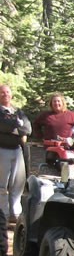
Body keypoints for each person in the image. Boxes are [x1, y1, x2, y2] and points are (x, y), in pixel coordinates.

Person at [0, 84, 32, 223]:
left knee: (18, 184)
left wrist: (12, 128)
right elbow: (3, 125)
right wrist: (16, 127)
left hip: (17, 150)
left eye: (7, 92)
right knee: (2, 185)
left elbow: (27, 129)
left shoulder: (18, 111)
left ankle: (16, 213)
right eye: (2, 92)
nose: (5, 94)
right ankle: (4, 215)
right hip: (2, 150)